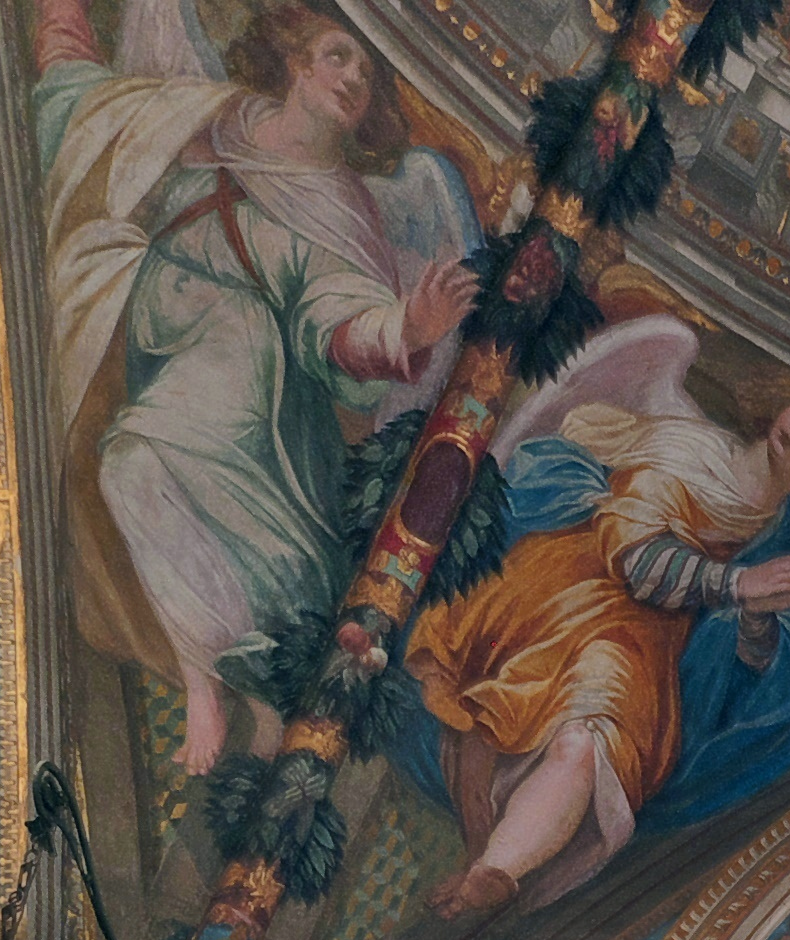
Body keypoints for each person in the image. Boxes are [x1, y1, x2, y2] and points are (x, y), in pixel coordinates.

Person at [34, 0, 477, 773]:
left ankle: (206, 681)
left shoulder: (340, 205)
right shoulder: (212, 119)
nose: (352, 80)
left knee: (132, 463)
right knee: (124, 457)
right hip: (145, 324)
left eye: (368, 77)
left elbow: (335, 318)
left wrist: (405, 331)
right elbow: (102, 121)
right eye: (339, 56)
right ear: (297, 62)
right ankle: (231, 682)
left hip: (243, 375)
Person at [405, 373, 790, 925]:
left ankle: (498, 869)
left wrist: (755, 619)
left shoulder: (786, 543)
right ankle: (482, 849)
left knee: (588, 741)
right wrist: (737, 586)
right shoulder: (689, 446)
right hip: (568, 585)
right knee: (500, 709)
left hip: (645, 639)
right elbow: (632, 556)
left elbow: (754, 671)